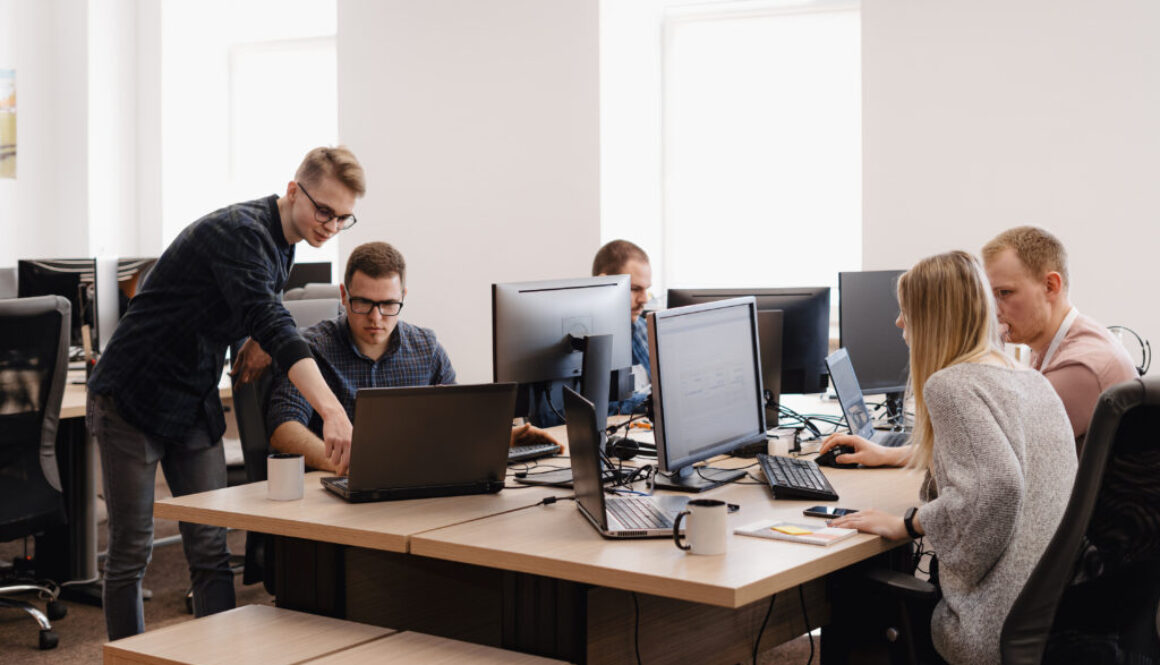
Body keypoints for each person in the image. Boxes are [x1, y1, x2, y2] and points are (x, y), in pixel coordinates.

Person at [87, 146, 365, 640]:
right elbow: (273, 319)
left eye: (344, 218)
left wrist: (256, 336)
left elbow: (253, 302)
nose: (330, 225)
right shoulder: (239, 231)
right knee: (132, 550)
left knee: (212, 545)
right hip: (132, 394)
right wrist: (332, 410)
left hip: (192, 399)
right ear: (293, 190)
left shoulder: (286, 239)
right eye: (324, 210)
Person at [824, 251, 1077, 665]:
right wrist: (894, 456)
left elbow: (996, 486)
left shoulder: (950, 385)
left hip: (990, 625)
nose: (899, 323)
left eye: (906, 312)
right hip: (1051, 614)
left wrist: (905, 524)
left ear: (931, 319)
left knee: (848, 588)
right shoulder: (1031, 380)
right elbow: (1002, 461)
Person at [267, 241, 558, 470]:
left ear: (403, 296)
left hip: (413, 485)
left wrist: (499, 439)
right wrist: (341, 463)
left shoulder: (426, 348)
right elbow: (284, 430)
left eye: (388, 304)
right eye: (363, 303)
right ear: (344, 296)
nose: (376, 317)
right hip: (339, 491)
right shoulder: (311, 350)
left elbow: (456, 422)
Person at [982, 226, 1136, 448]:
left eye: (1004, 293)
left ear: (1050, 286)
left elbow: (996, 454)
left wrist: (984, 352)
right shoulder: (1052, 347)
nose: (995, 311)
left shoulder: (1080, 367)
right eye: (990, 296)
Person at [592, 240, 653, 415]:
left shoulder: (642, 328)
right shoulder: (579, 342)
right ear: (603, 284)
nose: (644, 300)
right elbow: (591, 408)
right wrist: (653, 402)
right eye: (634, 289)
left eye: (646, 290)